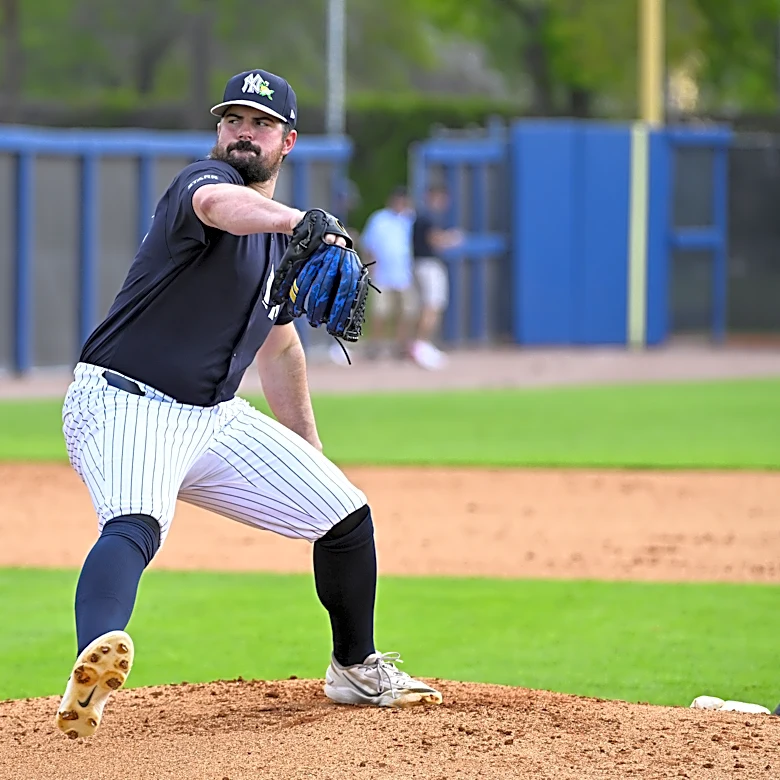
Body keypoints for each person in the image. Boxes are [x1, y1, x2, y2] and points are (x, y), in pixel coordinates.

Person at [54, 68, 442, 740]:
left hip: (211, 418)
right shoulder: (202, 188)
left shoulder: (277, 248)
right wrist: (303, 222)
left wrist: (311, 457)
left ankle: (353, 668)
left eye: (260, 124)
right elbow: (220, 208)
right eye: (233, 120)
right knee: (137, 522)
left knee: (345, 513)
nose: (243, 132)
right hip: (124, 400)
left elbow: (282, 350)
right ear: (218, 131)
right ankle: (95, 660)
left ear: (287, 141)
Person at [359, 186, 417, 360]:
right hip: (383, 274)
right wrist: (371, 267)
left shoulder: (409, 219)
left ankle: (400, 347)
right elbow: (368, 244)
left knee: (406, 312)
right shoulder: (379, 219)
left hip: (404, 274)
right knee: (380, 312)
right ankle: (375, 347)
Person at [410, 185, 463, 370]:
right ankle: (421, 345)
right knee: (432, 305)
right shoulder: (427, 217)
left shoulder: (420, 217)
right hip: (428, 265)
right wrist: (452, 239)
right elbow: (435, 240)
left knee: (427, 305)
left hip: (420, 265)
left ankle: (421, 344)